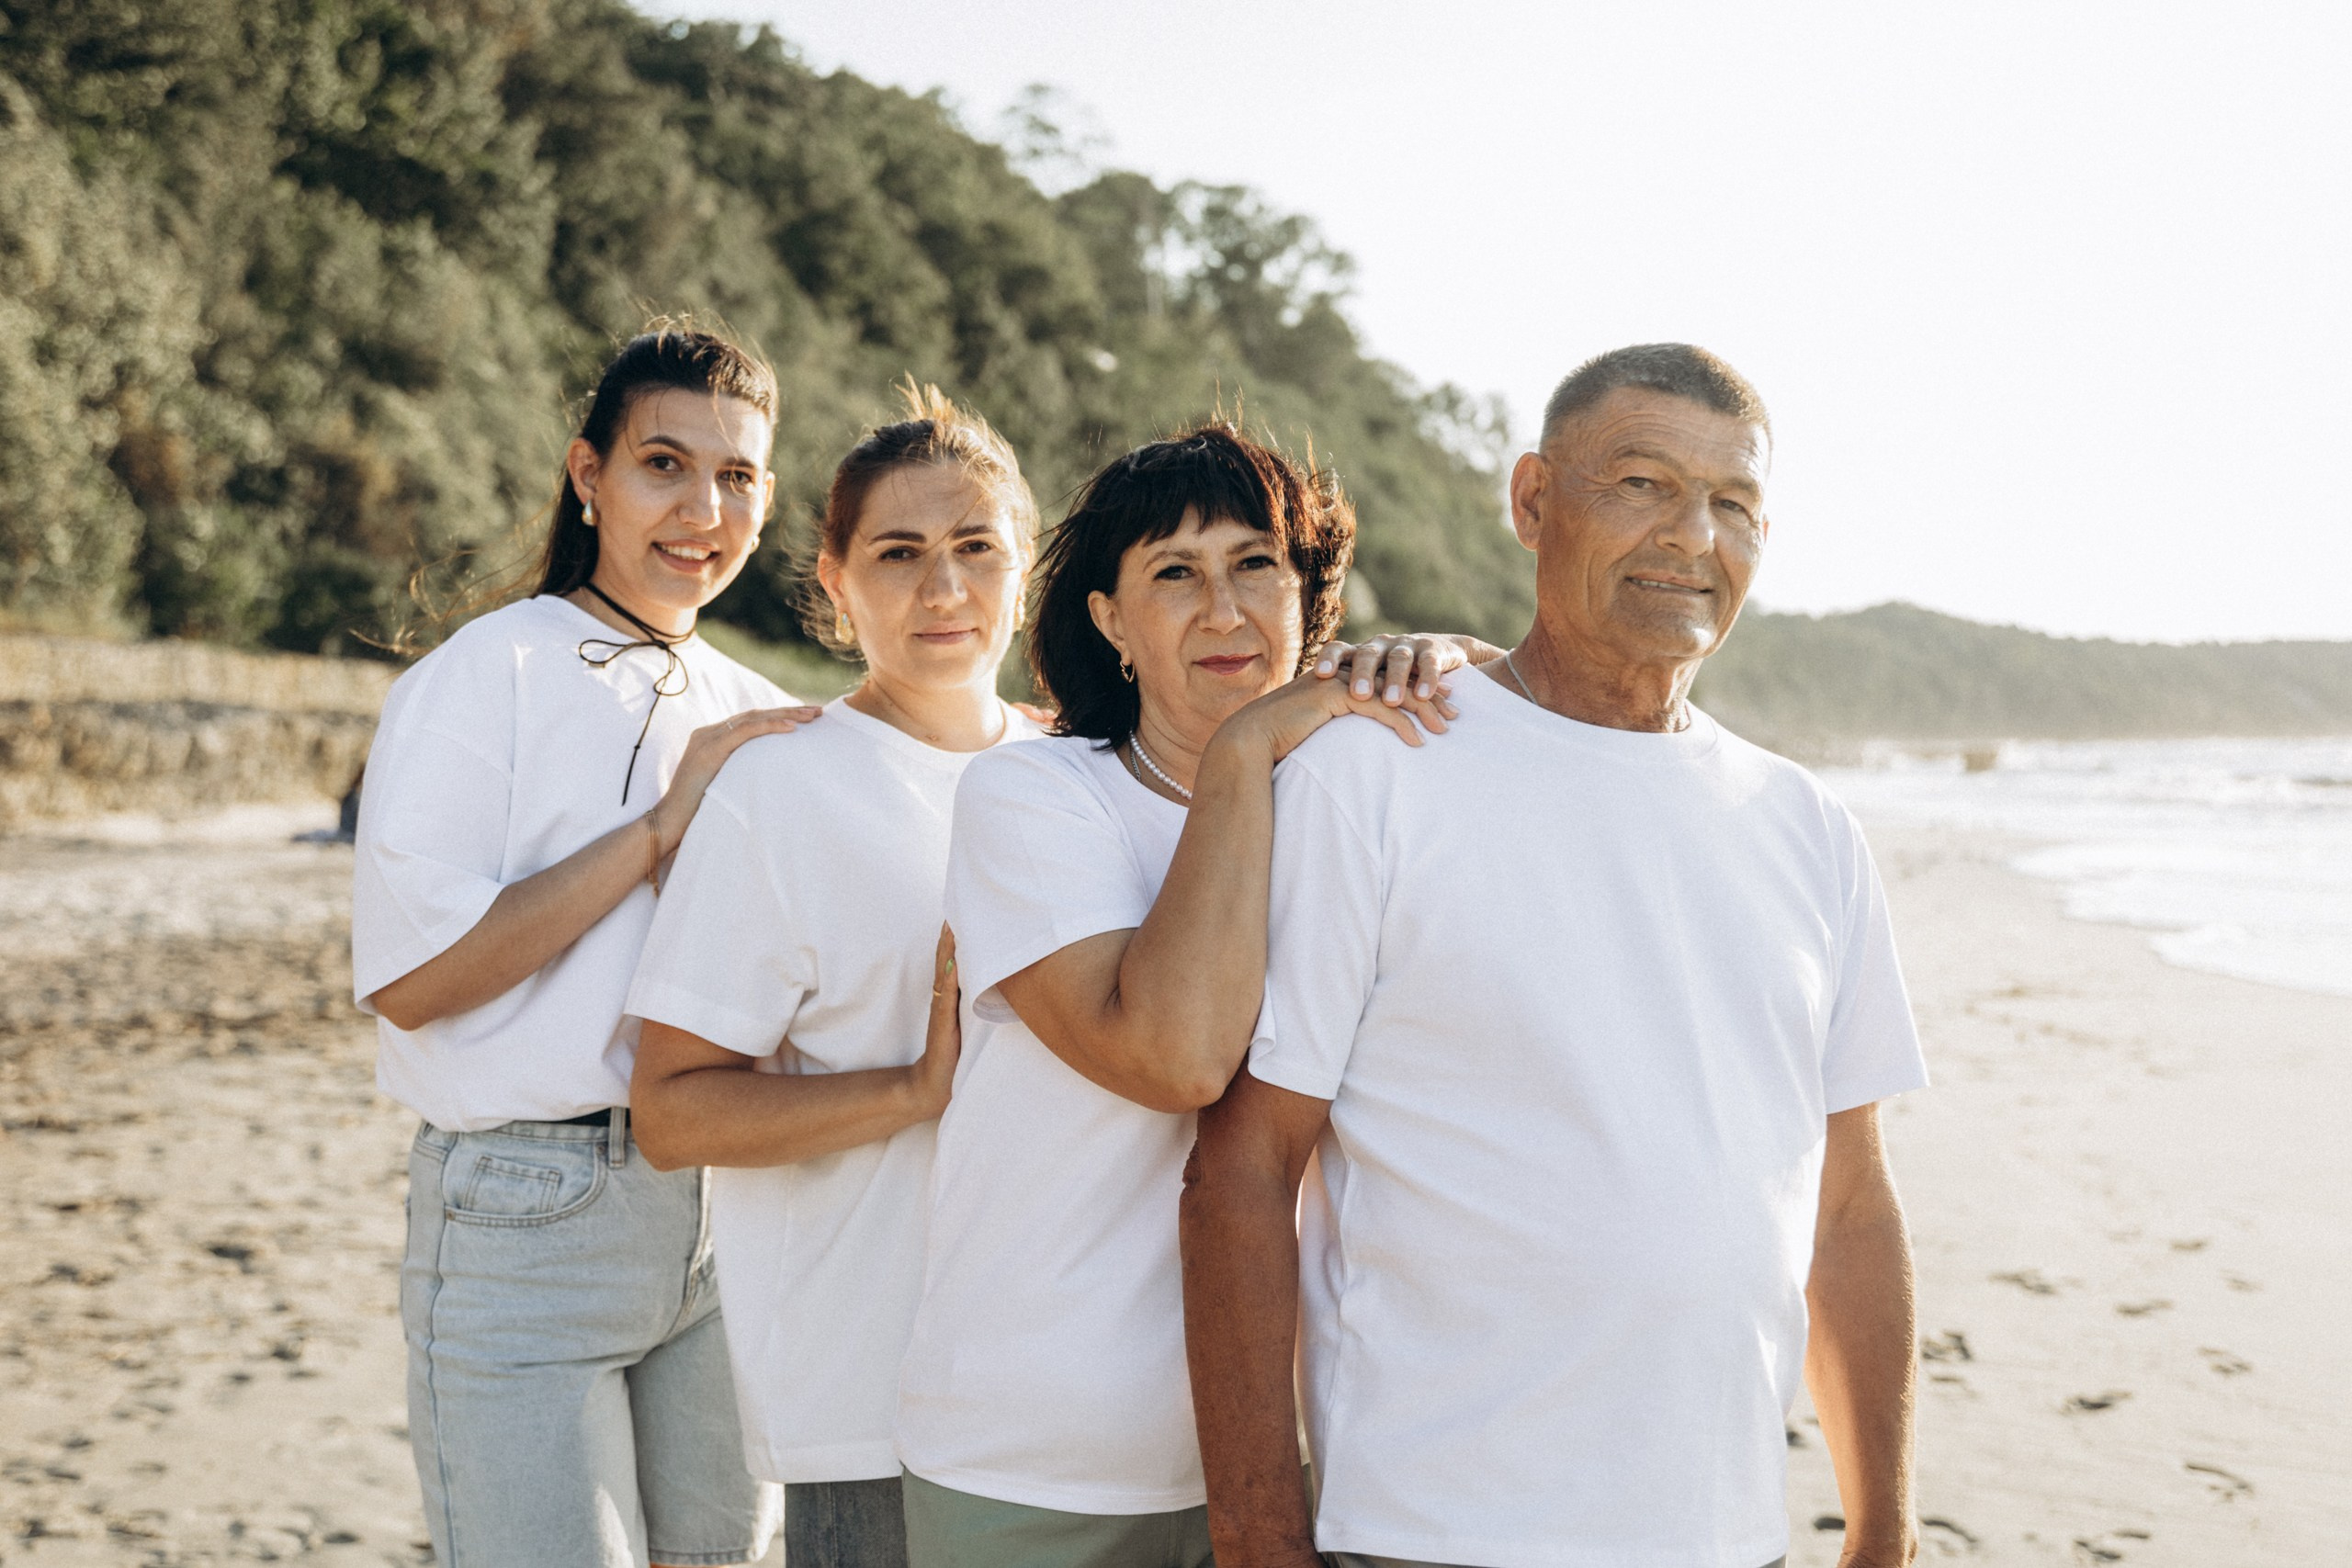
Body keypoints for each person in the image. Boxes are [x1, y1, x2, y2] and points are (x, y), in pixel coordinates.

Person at [1182, 344, 1929, 1568]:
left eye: (1733, 502)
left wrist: (1883, 1530)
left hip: (1726, 1536)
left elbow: (1847, 1205)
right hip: (1436, 1531)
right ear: (1533, 499)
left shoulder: (1807, 828)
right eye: (1641, 483)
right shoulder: (1376, 772)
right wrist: (1260, 1538)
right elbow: (1244, 1168)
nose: (1691, 536)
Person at [894, 424, 1490, 1568]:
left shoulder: (1350, 799)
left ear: (1306, 597)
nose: (1223, 609)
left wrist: (1451, 663)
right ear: (1111, 620)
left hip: (1292, 1446)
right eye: (1175, 573)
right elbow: (1174, 1058)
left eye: (1254, 565)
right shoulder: (1032, 796)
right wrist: (1246, 747)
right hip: (1035, 1457)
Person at [353, 325, 817, 1568]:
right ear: (588, 473)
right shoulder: (482, 673)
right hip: (526, 1208)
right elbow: (414, 979)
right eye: (665, 464)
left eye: (737, 477)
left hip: (726, 1211)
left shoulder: (752, 707)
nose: (703, 510)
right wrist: (658, 832)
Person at [619, 386, 1046, 1568]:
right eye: (898, 553)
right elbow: (671, 1112)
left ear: (1026, 569)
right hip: (873, 1407)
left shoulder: (1073, 771)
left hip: (1076, 1399)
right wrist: (911, 1090)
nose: (944, 588)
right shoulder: (783, 788)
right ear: (836, 581)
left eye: (976, 548)